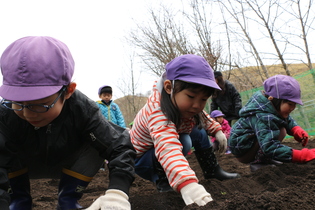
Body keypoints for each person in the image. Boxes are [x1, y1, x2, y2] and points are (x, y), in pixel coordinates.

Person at [0, 36, 136, 210]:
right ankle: (17, 201)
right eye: (17, 103)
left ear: (68, 91)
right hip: (23, 163)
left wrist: (117, 193)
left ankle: (68, 200)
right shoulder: (5, 114)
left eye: (40, 104)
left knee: (100, 140)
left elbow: (120, 146)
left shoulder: (83, 109)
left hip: (70, 162)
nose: (26, 113)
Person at [130, 54, 240, 207]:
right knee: (184, 140)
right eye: (191, 96)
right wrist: (187, 183)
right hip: (144, 160)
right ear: (169, 87)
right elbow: (167, 146)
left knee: (199, 128)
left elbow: (202, 116)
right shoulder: (157, 111)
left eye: (203, 99)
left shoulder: (186, 106)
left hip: (160, 150)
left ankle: (212, 170)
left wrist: (217, 130)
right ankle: (164, 182)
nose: (197, 104)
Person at [229, 75, 315, 172]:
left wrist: (295, 129)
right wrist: (301, 155)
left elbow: (286, 119)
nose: (293, 108)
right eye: (290, 104)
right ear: (272, 98)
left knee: (279, 128)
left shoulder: (270, 106)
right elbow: (270, 146)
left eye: (294, 104)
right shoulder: (263, 116)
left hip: (252, 143)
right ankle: (258, 162)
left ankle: (266, 158)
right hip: (243, 149)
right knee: (280, 131)